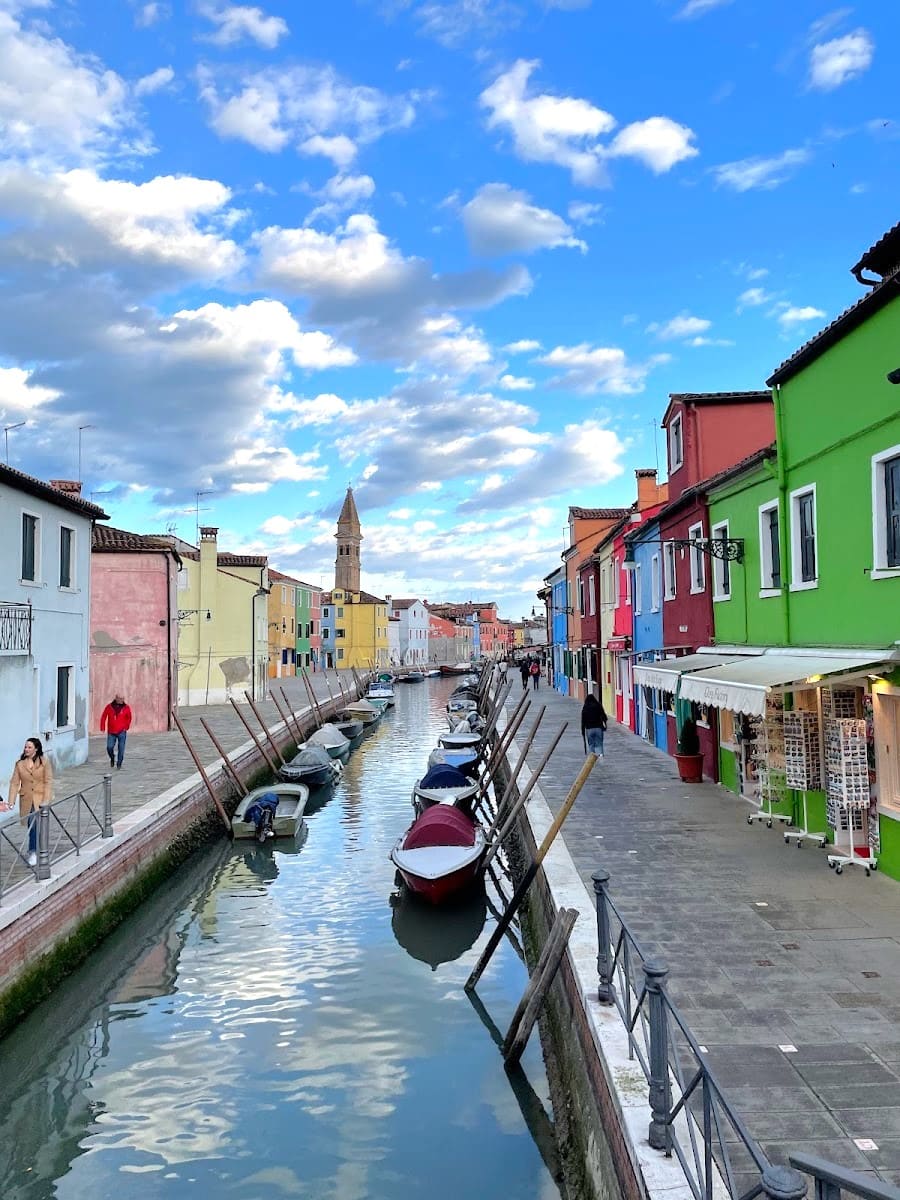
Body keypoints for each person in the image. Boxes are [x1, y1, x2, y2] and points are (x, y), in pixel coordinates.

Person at [2, 737, 53, 866]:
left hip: (41, 798)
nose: (26, 749)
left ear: (36, 749)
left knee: (41, 825)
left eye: (29, 747)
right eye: (25, 747)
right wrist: (11, 801)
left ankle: (42, 850)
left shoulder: (44, 762)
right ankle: (33, 852)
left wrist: (46, 799)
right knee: (33, 825)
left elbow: (48, 781)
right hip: (27, 799)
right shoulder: (20, 764)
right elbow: (14, 783)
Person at [100, 693, 133, 770]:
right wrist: (102, 727)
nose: (122, 700)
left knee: (121, 748)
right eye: (120, 699)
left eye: (123, 699)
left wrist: (126, 727)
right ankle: (112, 757)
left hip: (122, 731)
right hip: (111, 731)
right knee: (109, 747)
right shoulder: (109, 707)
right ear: (116, 698)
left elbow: (129, 717)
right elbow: (104, 716)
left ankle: (119, 764)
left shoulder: (126, 707)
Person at [581, 693, 608, 758]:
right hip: (598, 728)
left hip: (589, 729)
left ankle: (592, 756)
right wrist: (605, 723)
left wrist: (582, 731)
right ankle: (601, 754)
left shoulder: (585, 707)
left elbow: (583, 720)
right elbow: (604, 715)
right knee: (599, 742)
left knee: (591, 743)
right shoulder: (598, 705)